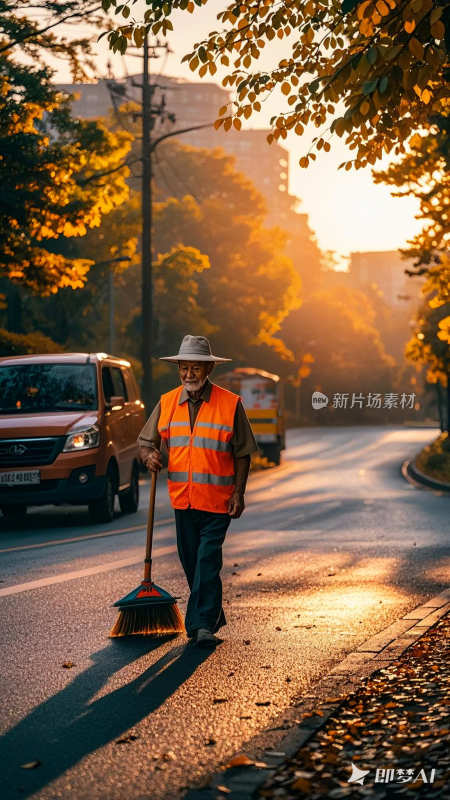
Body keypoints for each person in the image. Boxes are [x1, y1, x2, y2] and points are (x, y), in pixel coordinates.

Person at [139, 335, 258, 647]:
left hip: (218, 502)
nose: (188, 374)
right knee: (191, 561)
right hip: (183, 499)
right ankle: (212, 614)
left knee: (207, 560)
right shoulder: (166, 403)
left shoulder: (230, 404)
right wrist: (149, 455)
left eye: (195, 368)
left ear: (208, 369)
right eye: (184, 368)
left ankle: (201, 625)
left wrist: (238, 493)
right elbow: (145, 442)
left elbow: (243, 452)